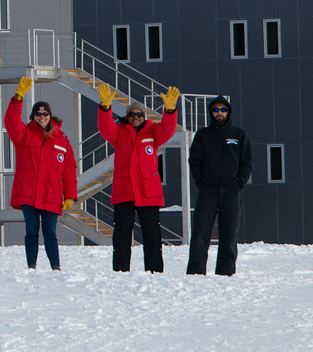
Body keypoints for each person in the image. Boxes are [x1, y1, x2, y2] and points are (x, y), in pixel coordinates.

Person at [96, 83, 179, 273]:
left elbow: (168, 129)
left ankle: (154, 270)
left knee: (152, 234)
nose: (135, 117)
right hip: (124, 190)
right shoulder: (119, 132)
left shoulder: (154, 132)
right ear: (127, 116)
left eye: (139, 114)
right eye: (132, 114)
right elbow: (105, 127)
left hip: (148, 192)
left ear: (144, 116)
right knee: (122, 235)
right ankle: (120, 270)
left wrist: (169, 110)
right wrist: (105, 108)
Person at [4, 76, 78, 270]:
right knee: (31, 232)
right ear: (33, 116)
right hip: (28, 192)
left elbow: (69, 169)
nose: (42, 117)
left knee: (50, 232)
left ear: (50, 116)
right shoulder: (23, 134)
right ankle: (31, 267)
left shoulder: (62, 140)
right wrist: (18, 99)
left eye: (45, 114)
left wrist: (70, 195)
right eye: (38, 114)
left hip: (51, 193)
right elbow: (11, 121)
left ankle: (55, 267)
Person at [186, 96, 252, 276]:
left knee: (229, 236)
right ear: (211, 112)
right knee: (200, 234)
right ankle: (195, 274)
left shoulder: (239, 135)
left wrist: (238, 184)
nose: (219, 113)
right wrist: (201, 182)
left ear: (228, 113)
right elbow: (195, 161)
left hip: (231, 191)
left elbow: (246, 163)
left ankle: (226, 274)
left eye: (223, 110)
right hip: (208, 191)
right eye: (216, 110)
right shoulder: (202, 135)